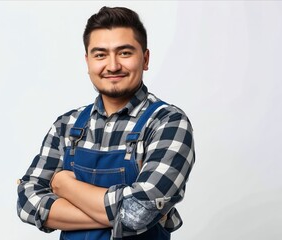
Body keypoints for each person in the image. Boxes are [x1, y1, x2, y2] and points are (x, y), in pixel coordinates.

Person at [17, 6, 195, 240]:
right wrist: (120, 214)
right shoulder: (66, 125)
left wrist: (64, 185)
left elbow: (137, 214)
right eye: (100, 55)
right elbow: (27, 202)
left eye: (124, 53)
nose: (112, 66)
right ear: (88, 61)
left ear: (145, 58)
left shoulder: (168, 123)